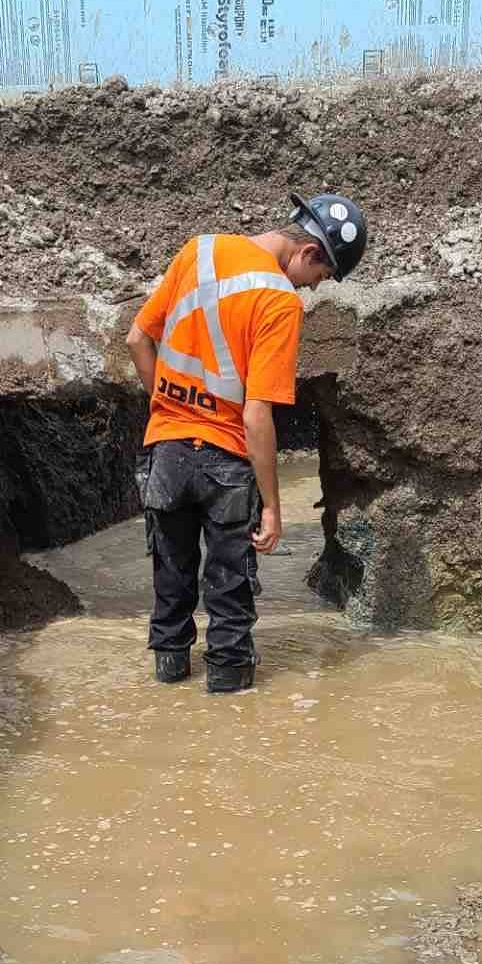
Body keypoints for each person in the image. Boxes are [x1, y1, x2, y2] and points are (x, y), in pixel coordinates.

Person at [125, 192, 369, 694]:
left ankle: (169, 691)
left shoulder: (201, 249)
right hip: (226, 461)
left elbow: (136, 339)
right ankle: (230, 704)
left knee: (170, 587)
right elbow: (257, 414)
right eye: (319, 279)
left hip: (166, 449)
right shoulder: (279, 301)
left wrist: (167, 410)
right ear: (311, 254)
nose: (311, 290)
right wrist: (274, 508)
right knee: (229, 600)